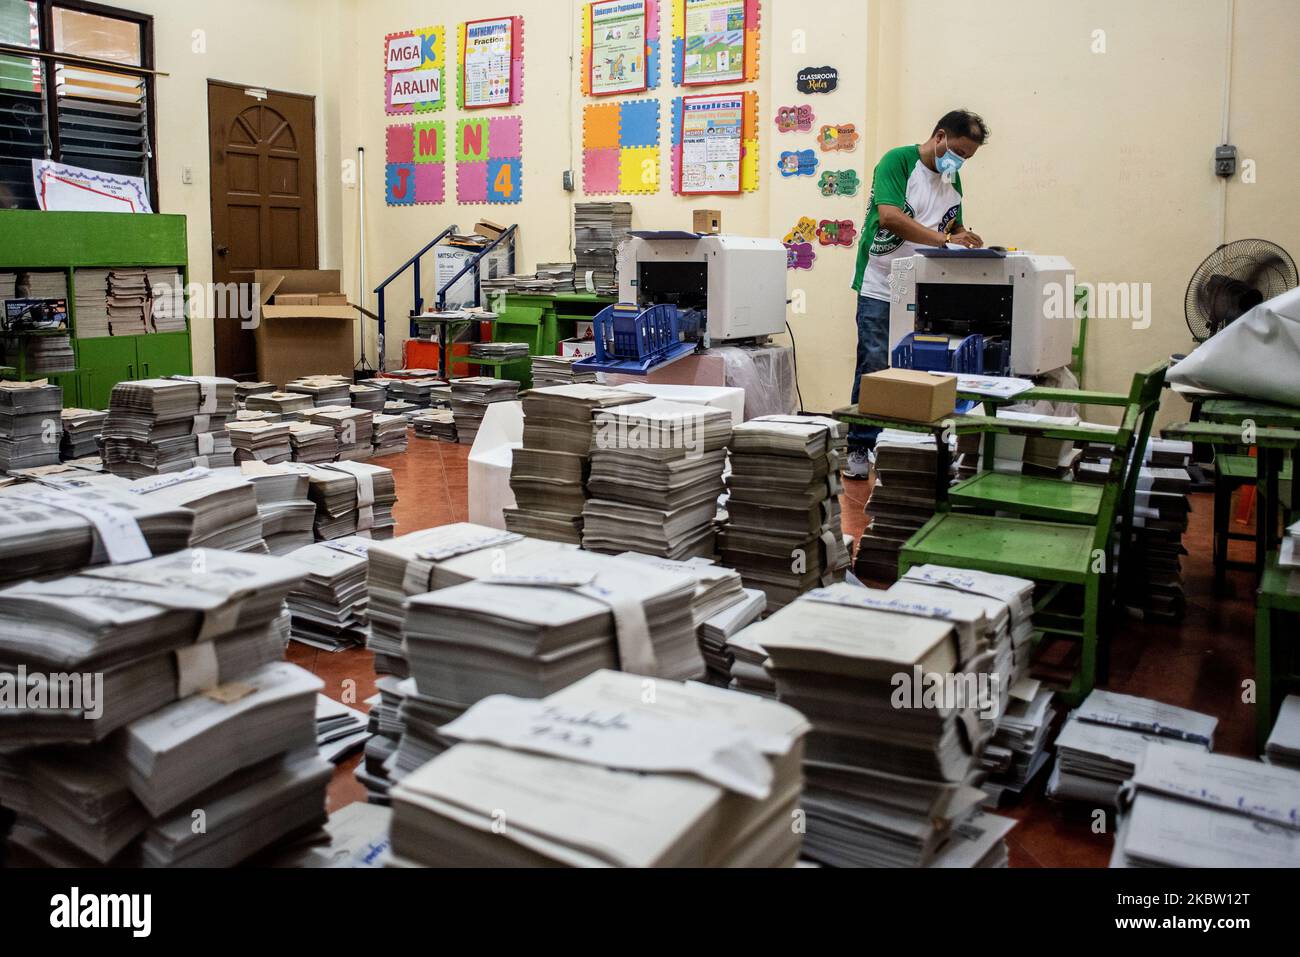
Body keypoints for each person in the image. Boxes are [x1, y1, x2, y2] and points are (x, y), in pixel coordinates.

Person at [843, 109, 988, 478]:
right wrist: (944, 238)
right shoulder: (898, 161)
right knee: (874, 363)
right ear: (939, 136)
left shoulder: (951, 176)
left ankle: (904, 445)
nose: (960, 161)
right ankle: (860, 446)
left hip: (921, 287)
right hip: (880, 281)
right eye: (958, 151)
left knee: (918, 365)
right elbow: (890, 217)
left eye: (968, 157)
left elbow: (950, 222)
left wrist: (964, 234)